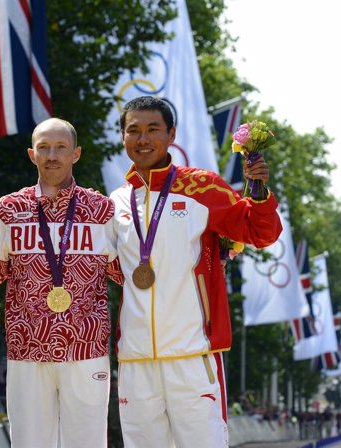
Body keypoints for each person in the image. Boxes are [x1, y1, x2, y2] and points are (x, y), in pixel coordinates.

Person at [110, 96, 283, 447]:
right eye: (133, 131)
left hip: (193, 355)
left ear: (171, 134)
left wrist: (258, 191)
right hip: (135, 358)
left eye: (153, 129)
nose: (143, 139)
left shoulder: (202, 188)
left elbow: (260, 233)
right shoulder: (115, 202)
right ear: (123, 137)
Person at [0, 118, 121, 447]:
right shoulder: (8, 209)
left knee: (86, 442)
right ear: (32, 155)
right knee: (29, 442)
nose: (52, 155)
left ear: (76, 154)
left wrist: (207, 255)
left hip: (86, 348)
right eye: (44, 147)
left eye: (60, 147)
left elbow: (131, 273)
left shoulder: (102, 210)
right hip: (26, 348)